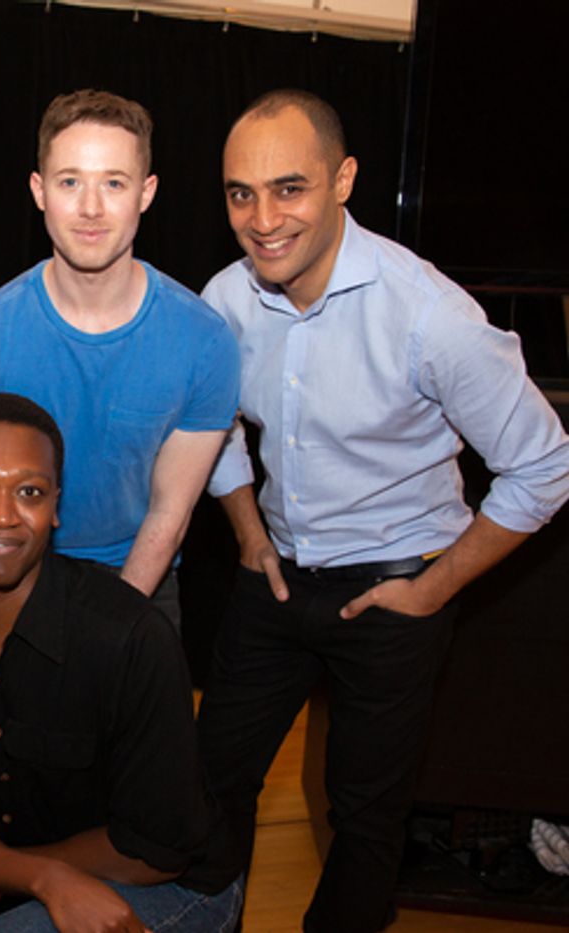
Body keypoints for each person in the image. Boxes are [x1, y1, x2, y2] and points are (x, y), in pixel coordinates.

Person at [196, 89, 569, 932]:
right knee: (211, 781)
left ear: (344, 180)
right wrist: (249, 533)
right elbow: (211, 426)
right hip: (278, 576)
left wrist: (432, 590)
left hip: (398, 587)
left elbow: (545, 464)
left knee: (365, 818)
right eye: (239, 193)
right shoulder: (225, 299)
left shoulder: (429, 315)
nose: (262, 219)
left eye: (288, 188)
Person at [0, 394, 243, 933]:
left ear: (55, 508)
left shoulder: (128, 636)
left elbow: (159, 846)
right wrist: (32, 879)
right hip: (34, 876)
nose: (1, 516)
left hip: (175, 884)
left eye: (29, 492)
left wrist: (7, 880)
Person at [0, 89, 239, 628]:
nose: (90, 207)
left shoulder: (205, 341)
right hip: (12, 575)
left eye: (113, 182)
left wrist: (109, 628)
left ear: (146, 193)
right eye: (69, 181)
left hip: (141, 583)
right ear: (39, 191)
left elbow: (170, 514)